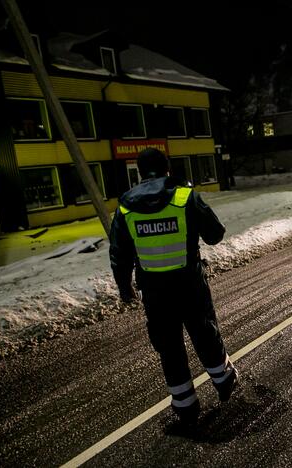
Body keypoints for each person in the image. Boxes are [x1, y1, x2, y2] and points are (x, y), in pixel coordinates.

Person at [109, 148, 239, 423]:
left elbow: (119, 254)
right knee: (204, 332)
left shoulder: (125, 205)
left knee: (169, 347)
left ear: (141, 172)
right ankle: (224, 380)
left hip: (154, 291)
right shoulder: (184, 196)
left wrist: (125, 288)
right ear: (167, 168)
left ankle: (186, 407)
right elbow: (215, 235)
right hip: (189, 283)